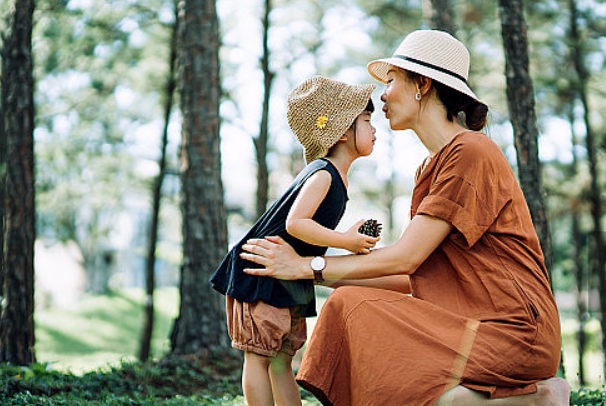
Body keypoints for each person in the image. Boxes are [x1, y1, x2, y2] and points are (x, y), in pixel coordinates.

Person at [239, 30, 570, 406]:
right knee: (348, 302)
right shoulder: (430, 168)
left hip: (513, 332)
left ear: (423, 84)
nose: (382, 95)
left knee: (350, 309)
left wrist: (306, 266)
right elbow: (414, 276)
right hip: (463, 323)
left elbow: (406, 257)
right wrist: (321, 276)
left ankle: (536, 398)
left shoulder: (471, 151)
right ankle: (535, 397)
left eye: (391, 80)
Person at [211, 75, 381, 406]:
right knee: (259, 357)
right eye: (367, 121)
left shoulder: (336, 178)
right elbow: (297, 222)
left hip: (287, 275)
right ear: (343, 131)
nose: (375, 129)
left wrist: (348, 238)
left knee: (281, 360)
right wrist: (345, 242)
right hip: (259, 272)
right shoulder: (322, 173)